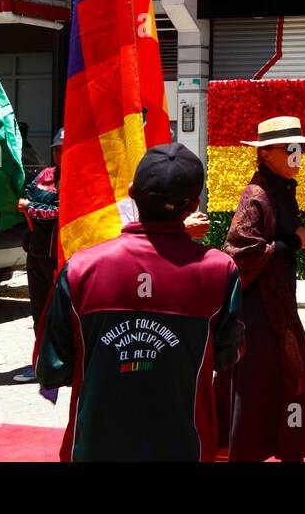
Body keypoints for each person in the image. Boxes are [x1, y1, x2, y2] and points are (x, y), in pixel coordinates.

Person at [35, 143, 243, 461]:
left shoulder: (80, 268)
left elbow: (50, 369)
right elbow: (227, 356)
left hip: (94, 449)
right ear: (194, 204)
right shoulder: (219, 271)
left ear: (132, 192)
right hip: (185, 448)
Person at [219, 115, 305, 462]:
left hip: (279, 310)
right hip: (257, 315)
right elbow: (237, 255)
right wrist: (292, 241)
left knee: (285, 382)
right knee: (258, 389)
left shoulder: (282, 190)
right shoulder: (256, 195)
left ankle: (288, 450)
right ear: (266, 154)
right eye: (291, 149)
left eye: (301, 149)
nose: (298, 156)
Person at [13, 128, 63, 382]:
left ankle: (62, 361)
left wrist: (30, 207)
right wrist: (28, 202)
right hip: (35, 253)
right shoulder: (45, 175)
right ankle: (41, 361)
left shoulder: (78, 177)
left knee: (58, 312)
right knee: (39, 310)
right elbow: (27, 192)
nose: (59, 155)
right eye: (56, 150)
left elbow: (58, 212)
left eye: (64, 150)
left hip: (59, 256)